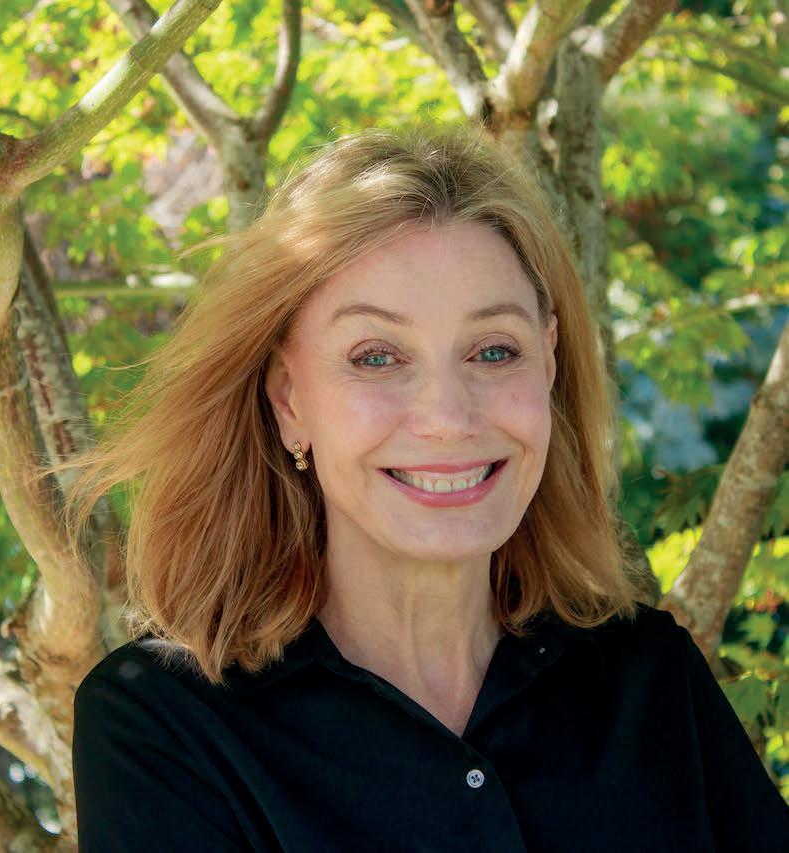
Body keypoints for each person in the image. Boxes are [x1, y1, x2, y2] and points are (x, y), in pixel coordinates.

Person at [65, 122, 788, 852]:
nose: (447, 418)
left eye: (494, 351)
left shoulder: (651, 676)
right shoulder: (165, 726)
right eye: (377, 357)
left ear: (548, 364)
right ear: (288, 397)